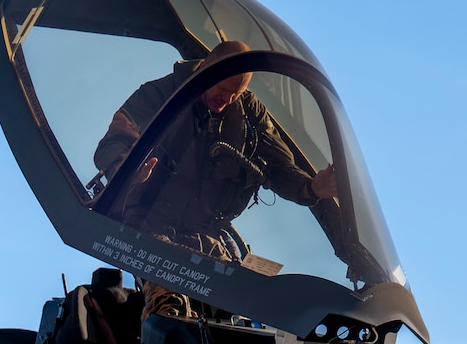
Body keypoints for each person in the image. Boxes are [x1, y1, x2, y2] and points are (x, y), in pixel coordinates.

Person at [91, 40, 339, 277]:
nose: (227, 99)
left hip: (205, 237)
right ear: (204, 68)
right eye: (222, 89)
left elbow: (278, 165)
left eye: (235, 93)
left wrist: (311, 187)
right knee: (168, 304)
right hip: (148, 227)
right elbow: (114, 141)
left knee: (235, 306)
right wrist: (124, 168)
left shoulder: (249, 114)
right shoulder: (159, 94)